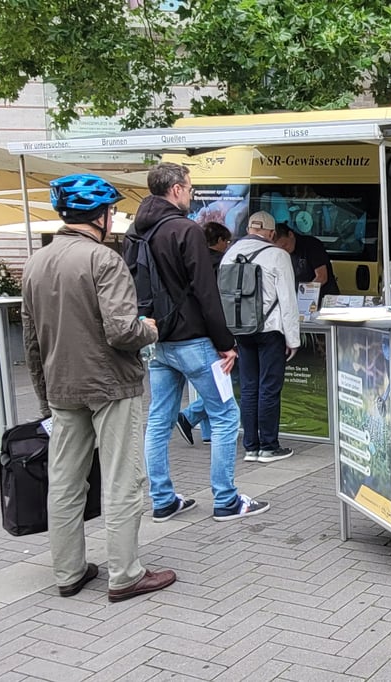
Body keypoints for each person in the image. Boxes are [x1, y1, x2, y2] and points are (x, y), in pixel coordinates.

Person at [22, 173, 176, 602]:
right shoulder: (104, 260)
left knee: (66, 483)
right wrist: (149, 329)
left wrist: (43, 396)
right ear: (102, 216)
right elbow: (122, 330)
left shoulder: (36, 262)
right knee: (123, 480)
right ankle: (126, 574)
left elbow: (31, 340)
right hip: (111, 385)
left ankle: (68, 571)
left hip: (61, 387)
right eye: (112, 213)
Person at [130, 162, 269, 522]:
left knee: (158, 419)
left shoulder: (137, 231)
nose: (191, 194)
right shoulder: (185, 230)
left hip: (157, 340)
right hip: (193, 340)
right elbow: (206, 292)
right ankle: (226, 499)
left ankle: (162, 499)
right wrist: (226, 342)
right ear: (176, 189)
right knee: (226, 415)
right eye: (189, 188)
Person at [223, 211, 301, 463]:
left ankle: (250, 446)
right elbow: (288, 299)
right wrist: (293, 339)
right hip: (270, 330)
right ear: (270, 232)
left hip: (241, 330)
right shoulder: (278, 255)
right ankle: (269, 446)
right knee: (269, 387)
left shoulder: (229, 255)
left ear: (248, 228)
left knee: (248, 388)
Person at [174, 221, 232, 446]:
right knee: (222, 384)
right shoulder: (220, 263)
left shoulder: (191, 259)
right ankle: (190, 416)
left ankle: (205, 431)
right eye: (225, 241)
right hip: (212, 332)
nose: (227, 245)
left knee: (209, 383)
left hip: (187, 330)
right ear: (217, 241)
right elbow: (214, 300)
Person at [272, 222, 340, 301]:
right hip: (297, 297)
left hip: (322, 297)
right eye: (280, 248)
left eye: (285, 245)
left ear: (290, 234)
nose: (284, 250)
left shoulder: (311, 245)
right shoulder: (280, 253)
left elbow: (322, 277)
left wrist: (302, 294)